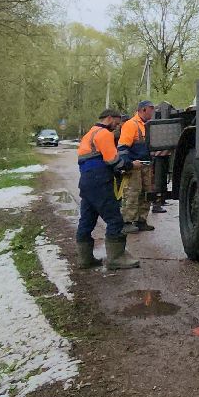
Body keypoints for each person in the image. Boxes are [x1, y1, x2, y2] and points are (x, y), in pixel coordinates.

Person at [77, 108, 139, 271]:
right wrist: (131, 165)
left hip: (86, 181)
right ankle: (116, 258)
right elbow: (113, 160)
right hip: (99, 181)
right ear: (109, 118)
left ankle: (85, 259)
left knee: (87, 220)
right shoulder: (104, 134)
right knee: (115, 219)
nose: (117, 126)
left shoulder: (90, 133)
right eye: (117, 123)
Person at [117, 101, 156, 232]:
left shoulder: (148, 125)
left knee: (147, 193)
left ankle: (141, 220)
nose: (153, 112)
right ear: (143, 110)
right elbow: (123, 147)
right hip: (135, 165)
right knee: (132, 192)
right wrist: (128, 164)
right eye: (151, 109)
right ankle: (127, 222)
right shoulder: (131, 125)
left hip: (147, 165)